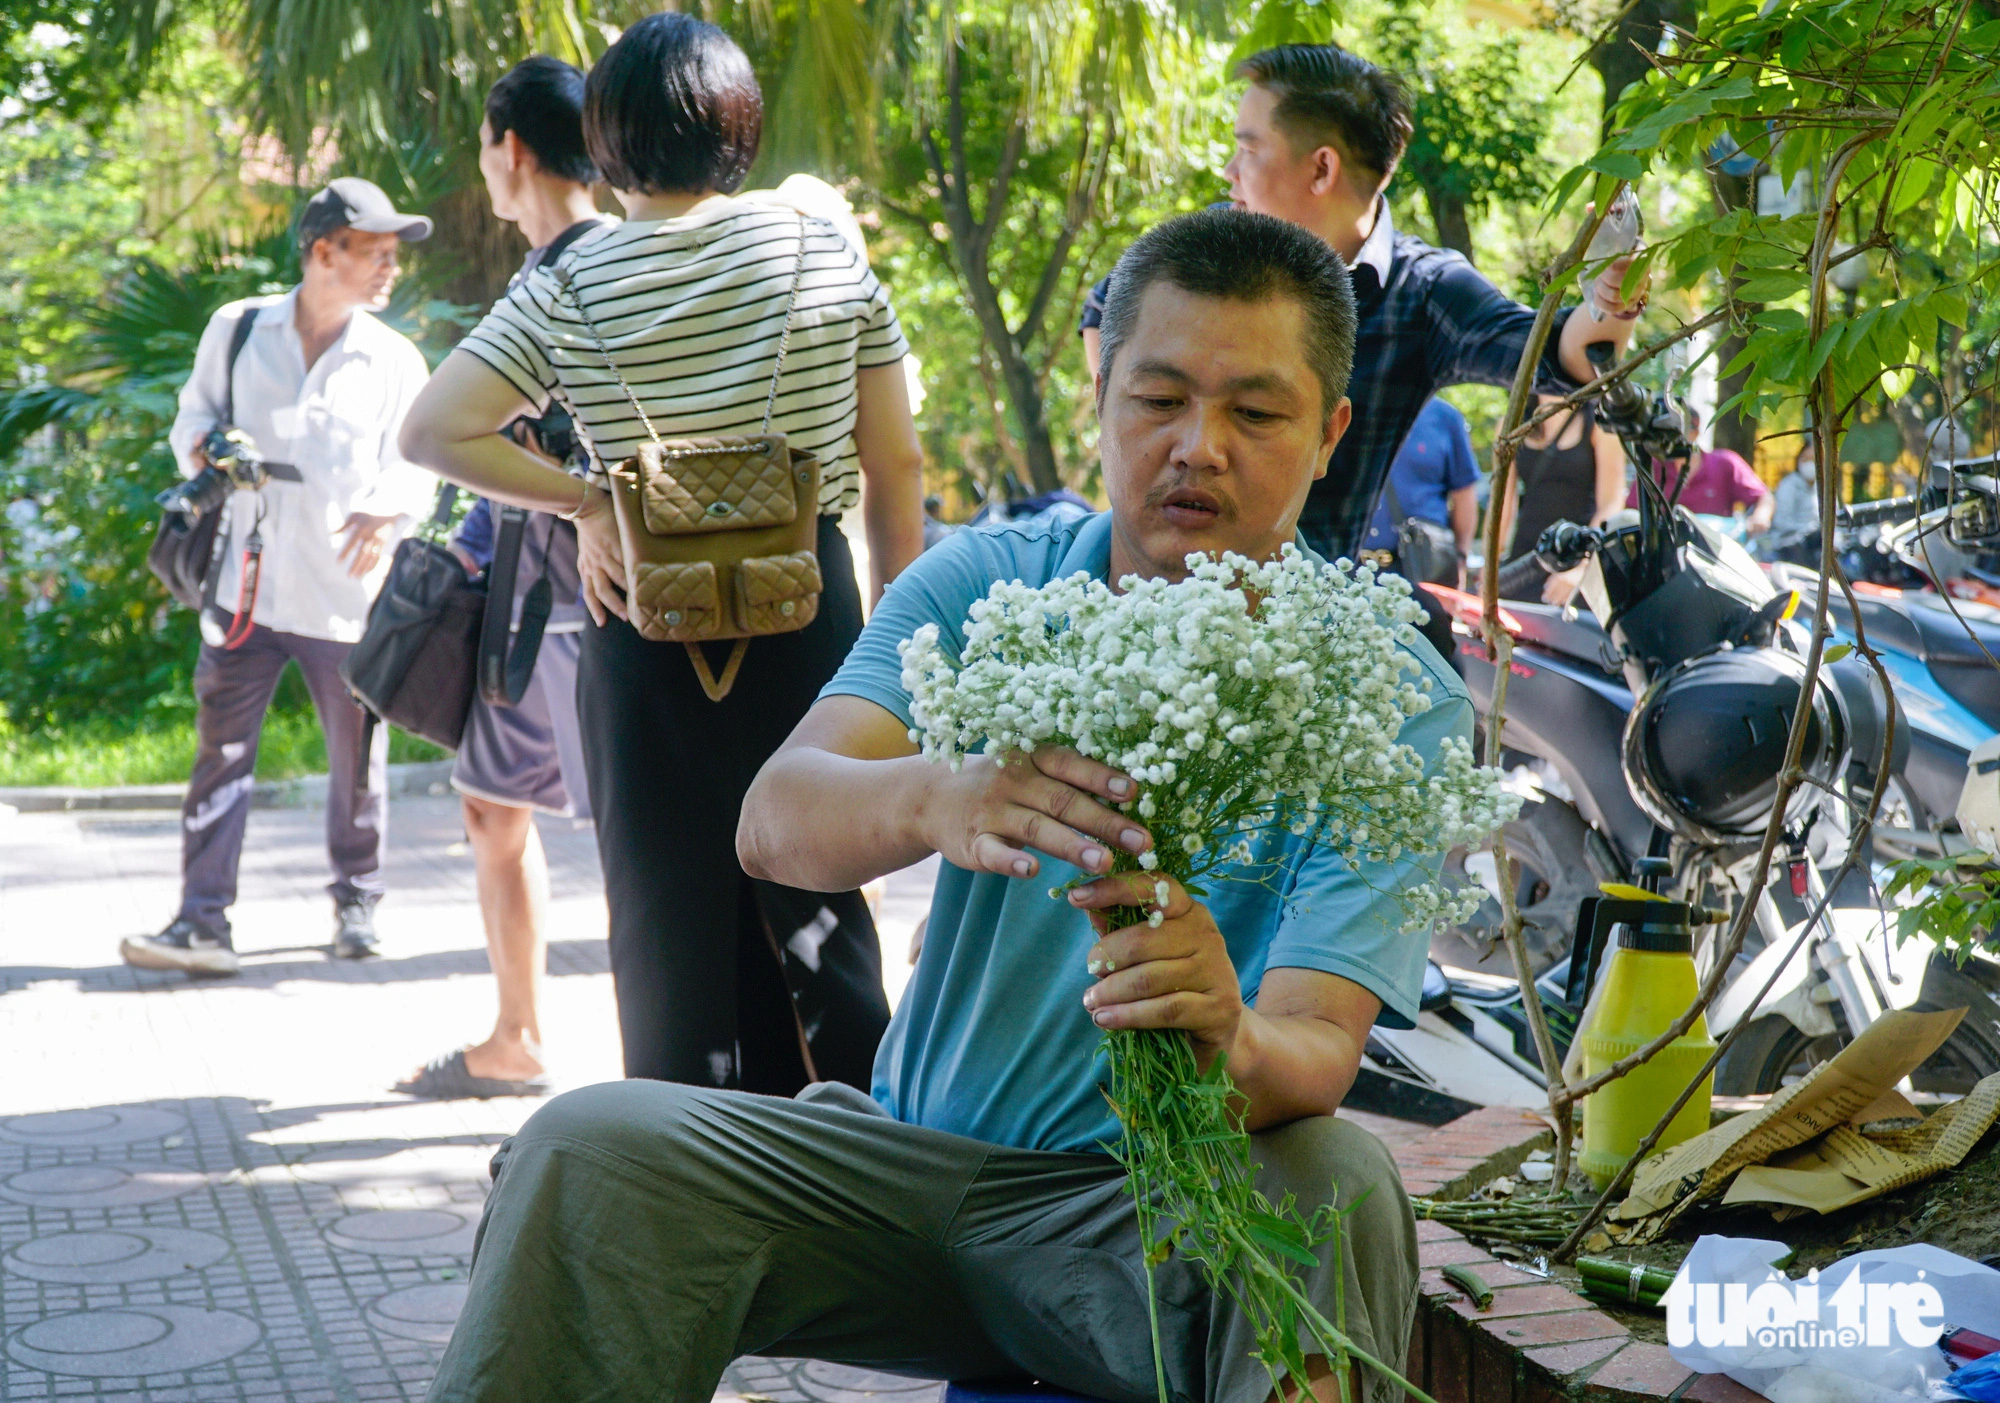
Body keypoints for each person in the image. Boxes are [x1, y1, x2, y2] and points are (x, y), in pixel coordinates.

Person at [426, 207, 1461, 1403]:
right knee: (586, 1147)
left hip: (1139, 1228)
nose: (1198, 447)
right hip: (899, 1180)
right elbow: (775, 819)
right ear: (1099, 394)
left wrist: (1223, 1032)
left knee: (1336, 1179)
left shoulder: (1386, 699)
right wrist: (937, 796)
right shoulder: (991, 583)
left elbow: (1315, 1053)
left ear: (1330, 431)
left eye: (1255, 412)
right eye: (1158, 398)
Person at [399, 13, 926, 1094]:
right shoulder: (819, 250)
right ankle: (873, 1178)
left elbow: (431, 431)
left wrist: (589, 503)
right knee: (824, 915)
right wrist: (898, 639)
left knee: (665, 923)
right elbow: (897, 462)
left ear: (609, 137)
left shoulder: (571, 283)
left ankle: (698, 1197)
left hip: (645, 620)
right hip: (810, 620)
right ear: (737, 126)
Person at [1079, 44, 1649, 563]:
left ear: (1322, 167)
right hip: (1145, 598)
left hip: (1304, 625)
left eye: (1247, 150)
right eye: (1163, 397)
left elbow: (1563, 357)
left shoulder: (1424, 292)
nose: (1228, 172)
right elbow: (1102, 311)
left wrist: (1613, 297)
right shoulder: (1198, 251)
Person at [121, 178, 435, 978]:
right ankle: (201, 923)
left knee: (357, 758)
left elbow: (418, 464)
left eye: (395, 256)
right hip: (245, 583)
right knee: (220, 752)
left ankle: (357, 902)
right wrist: (207, 450)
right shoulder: (238, 328)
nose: (390, 270)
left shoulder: (393, 357)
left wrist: (389, 510)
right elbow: (190, 420)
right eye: (376, 253)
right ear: (323, 250)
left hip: (345, 593)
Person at [395, 56, 614, 1099]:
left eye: (485, 150)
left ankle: (678, 1066)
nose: (484, 169)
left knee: (630, 828)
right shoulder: (545, 269)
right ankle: (515, 1034)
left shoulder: (597, 266)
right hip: (526, 595)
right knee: (490, 805)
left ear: (511, 150)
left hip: (584, 599)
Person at [1497, 393, 1627, 603]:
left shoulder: (1600, 422)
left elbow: (1611, 503)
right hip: (1525, 562)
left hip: (1575, 561)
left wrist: (1582, 567)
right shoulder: (1510, 423)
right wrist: (1492, 561)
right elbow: (1501, 503)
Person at [1356, 394, 1479, 583]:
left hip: (1420, 569)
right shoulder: (1349, 403)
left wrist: (1460, 559)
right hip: (1348, 567)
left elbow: (1464, 495)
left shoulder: (1445, 416)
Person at [1626, 406, 1774, 533]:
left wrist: (1760, 518)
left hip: (1716, 549)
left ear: (1695, 432)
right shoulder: (1653, 467)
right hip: (1667, 553)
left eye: (1677, 431)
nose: (1670, 438)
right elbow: (1631, 511)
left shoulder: (1725, 462)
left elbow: (1764, 497)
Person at [1763, 439, 1821, 564]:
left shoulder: (1824, 489)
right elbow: (1782, 522)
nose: (1810, 464)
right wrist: (1808, 531)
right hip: (1789, 547)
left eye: (1814, 460)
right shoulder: (1788, 485)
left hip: (1818, 547)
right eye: (1806, 459)